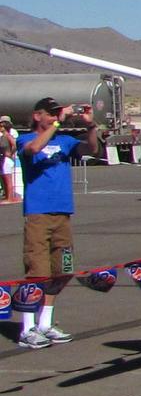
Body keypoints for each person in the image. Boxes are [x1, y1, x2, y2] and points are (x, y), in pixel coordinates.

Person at [0, 97, 103, 349]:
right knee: (37, 272)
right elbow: (33, 150)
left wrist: (90, 126)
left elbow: (92, 150)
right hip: (38, 213)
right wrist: (57, 125)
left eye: (59, 113)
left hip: (62, 213)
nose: (57, 117)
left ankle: (45, 322)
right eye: (52, 113)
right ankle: (27, 327)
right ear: (38, 116)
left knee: (62, 270)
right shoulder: (26, 139)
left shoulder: (65, 142)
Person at [0, 116, 17, 203]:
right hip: (4, 158)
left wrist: (11, 153)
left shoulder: (7, 135)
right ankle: (7, 196)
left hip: (7, 159)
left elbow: (14, 144)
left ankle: (10, 198)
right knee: (4, 178)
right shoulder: (3, 136)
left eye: (1, 126)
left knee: (8, 179)